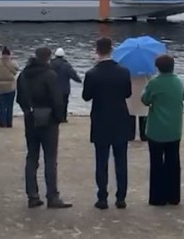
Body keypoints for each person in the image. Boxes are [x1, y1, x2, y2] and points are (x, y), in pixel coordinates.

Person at [17, 47, 72, 209]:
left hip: (30, 118)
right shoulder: (50, 75)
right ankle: (52, 196)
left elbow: (20, 98)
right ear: (48, 58)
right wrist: (58, 118)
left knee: (32, 157)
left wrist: (27, 111)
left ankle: (32, 196)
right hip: (49, 120)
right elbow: (57, 99)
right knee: (50, 159)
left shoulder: (23, 75)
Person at [81, 37, 131, 210]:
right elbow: (127, 93)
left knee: (101, 161)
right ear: (112, 50)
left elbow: (86, 96)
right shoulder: (124, 72)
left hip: (101, 119)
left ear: (97, 51)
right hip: (120, 119)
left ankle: (102, 197)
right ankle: (121, 197)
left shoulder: (92, 74)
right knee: (121, 161)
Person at [142, 54, 184, 207]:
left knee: (156, 163)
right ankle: (173, 196)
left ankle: (157, 198)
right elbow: (183, 97)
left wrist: (147, 86)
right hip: (174, 128)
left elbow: (145, 100)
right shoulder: (178, 81)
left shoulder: (154, 82)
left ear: (158, 67)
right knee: (173, 162)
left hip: (156, 129)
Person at [50, 48, 81, 122]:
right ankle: (63, 118)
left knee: (53, 103)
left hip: (52, 89)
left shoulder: (50, 64)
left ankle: (53, 117)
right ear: (63, 56)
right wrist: (80, 80)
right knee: (64, 104)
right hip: (64, 89)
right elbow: (74, 76)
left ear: (55, 55)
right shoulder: (67, 65)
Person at [0, 46, 19, 128]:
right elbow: (17, 69)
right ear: (9, 54)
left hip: (0, 87)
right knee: (10, 106)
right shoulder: (12, 63)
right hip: (10, 87)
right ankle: (9, 123)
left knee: (2, 106)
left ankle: (2, 123)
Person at [127, 71, 151, 142]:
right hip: (142, 91)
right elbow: (150, 80)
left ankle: (130, 135)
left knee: (131, 113)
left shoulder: (128, 69)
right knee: (143, 114)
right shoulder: (146, 69)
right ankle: (143, 135)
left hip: (132, 91)